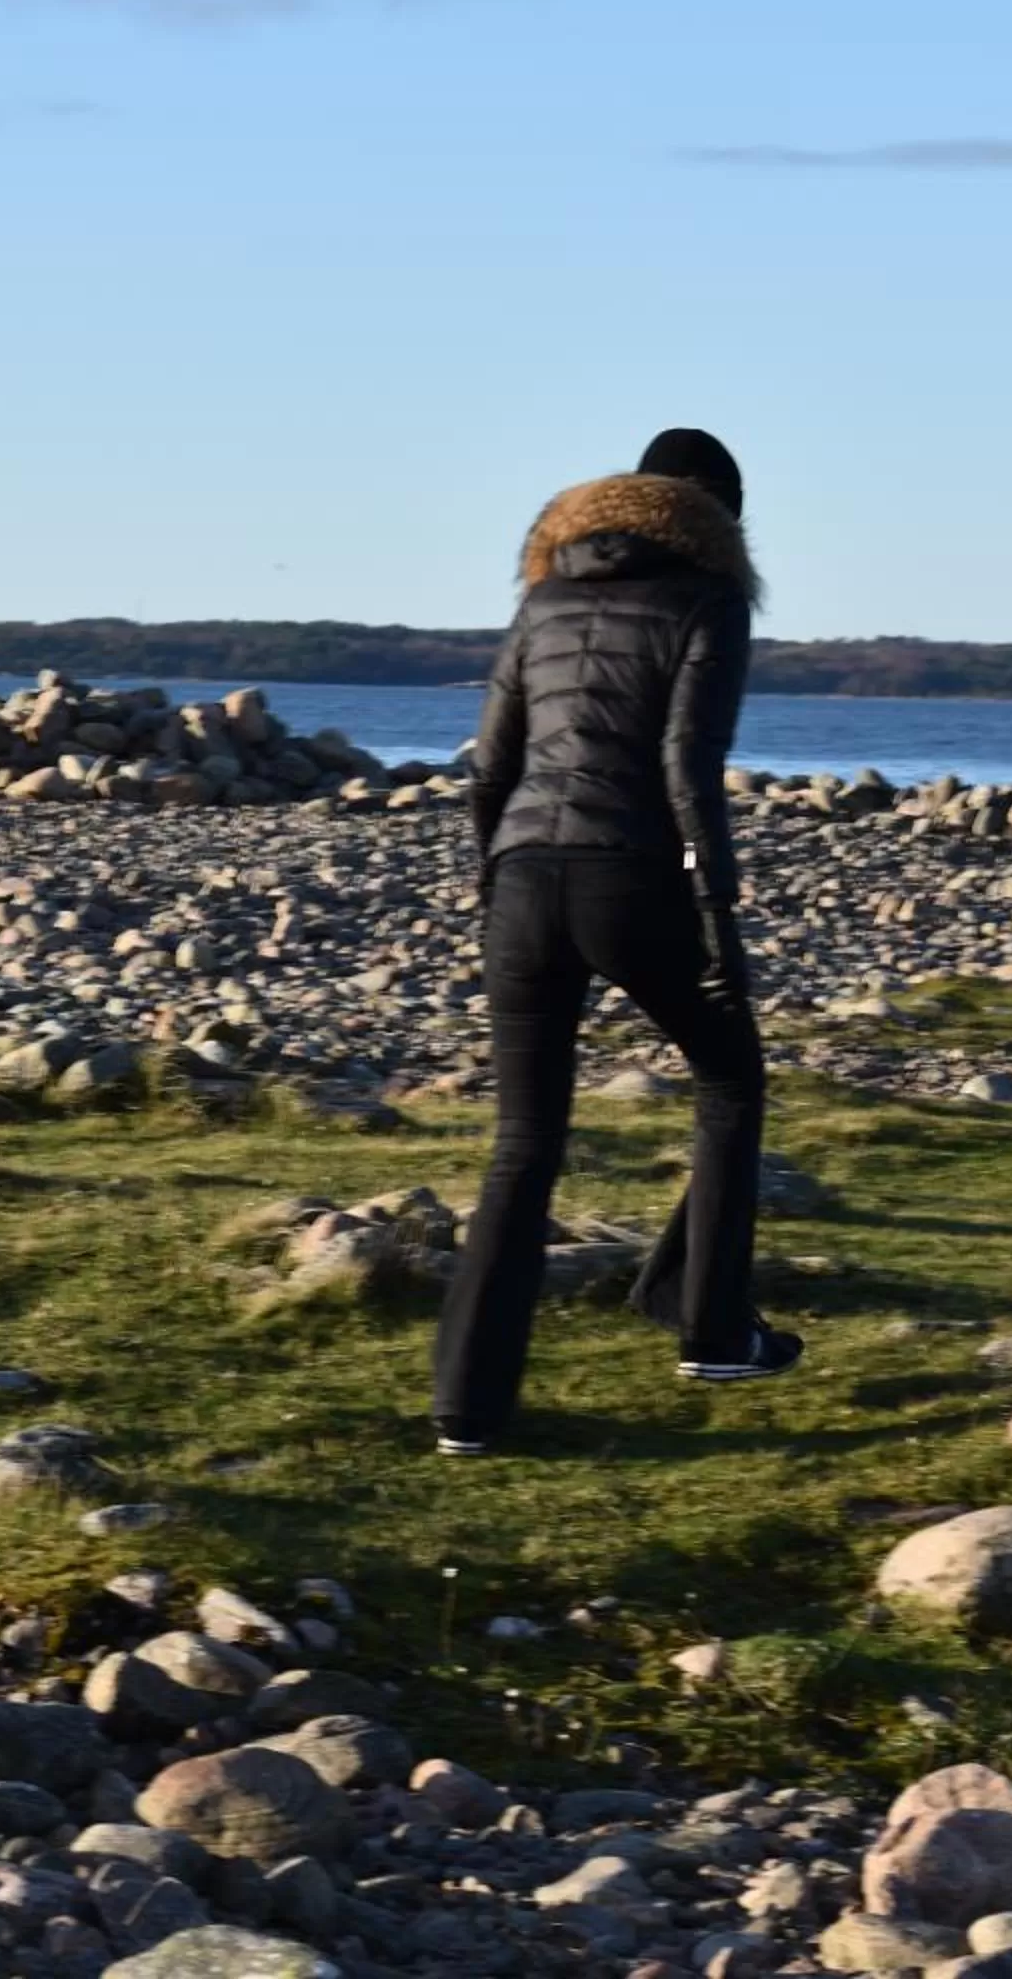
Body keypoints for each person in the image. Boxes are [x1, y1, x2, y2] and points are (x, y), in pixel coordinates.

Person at [430, 428, 798, 1457]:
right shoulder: (709, 602)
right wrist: (715, 910)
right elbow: (688, 768)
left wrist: (495, 877)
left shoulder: (543, 598)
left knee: (523, 1142)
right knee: (729, 1078)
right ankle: (712, 1328)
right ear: (718, 517)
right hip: (631, 873)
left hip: (522, 877)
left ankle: (467, 1409)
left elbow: (492, 764)